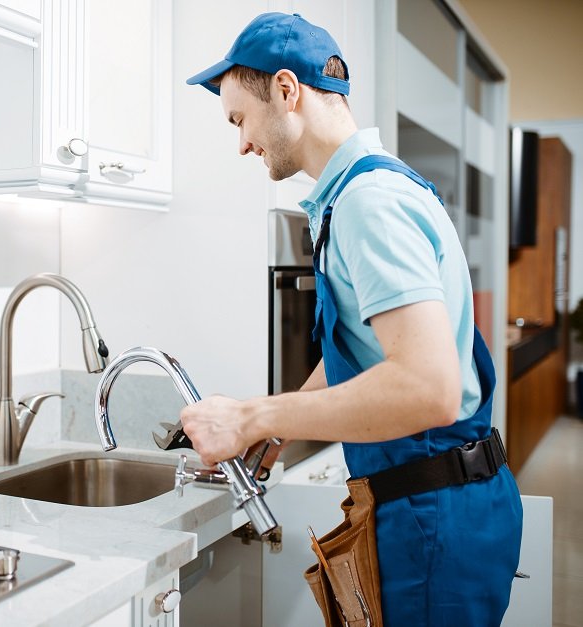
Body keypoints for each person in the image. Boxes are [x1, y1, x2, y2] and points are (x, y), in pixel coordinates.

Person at [180, 12, 523, 627]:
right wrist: (280, 428)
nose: (241, 144)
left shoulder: (369, 203)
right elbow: (366, 347)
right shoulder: (367, 190)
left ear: (287, 92)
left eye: (240, 119)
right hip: (436, 502)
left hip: (431, 515)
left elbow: (427, 388)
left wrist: (253, 414)